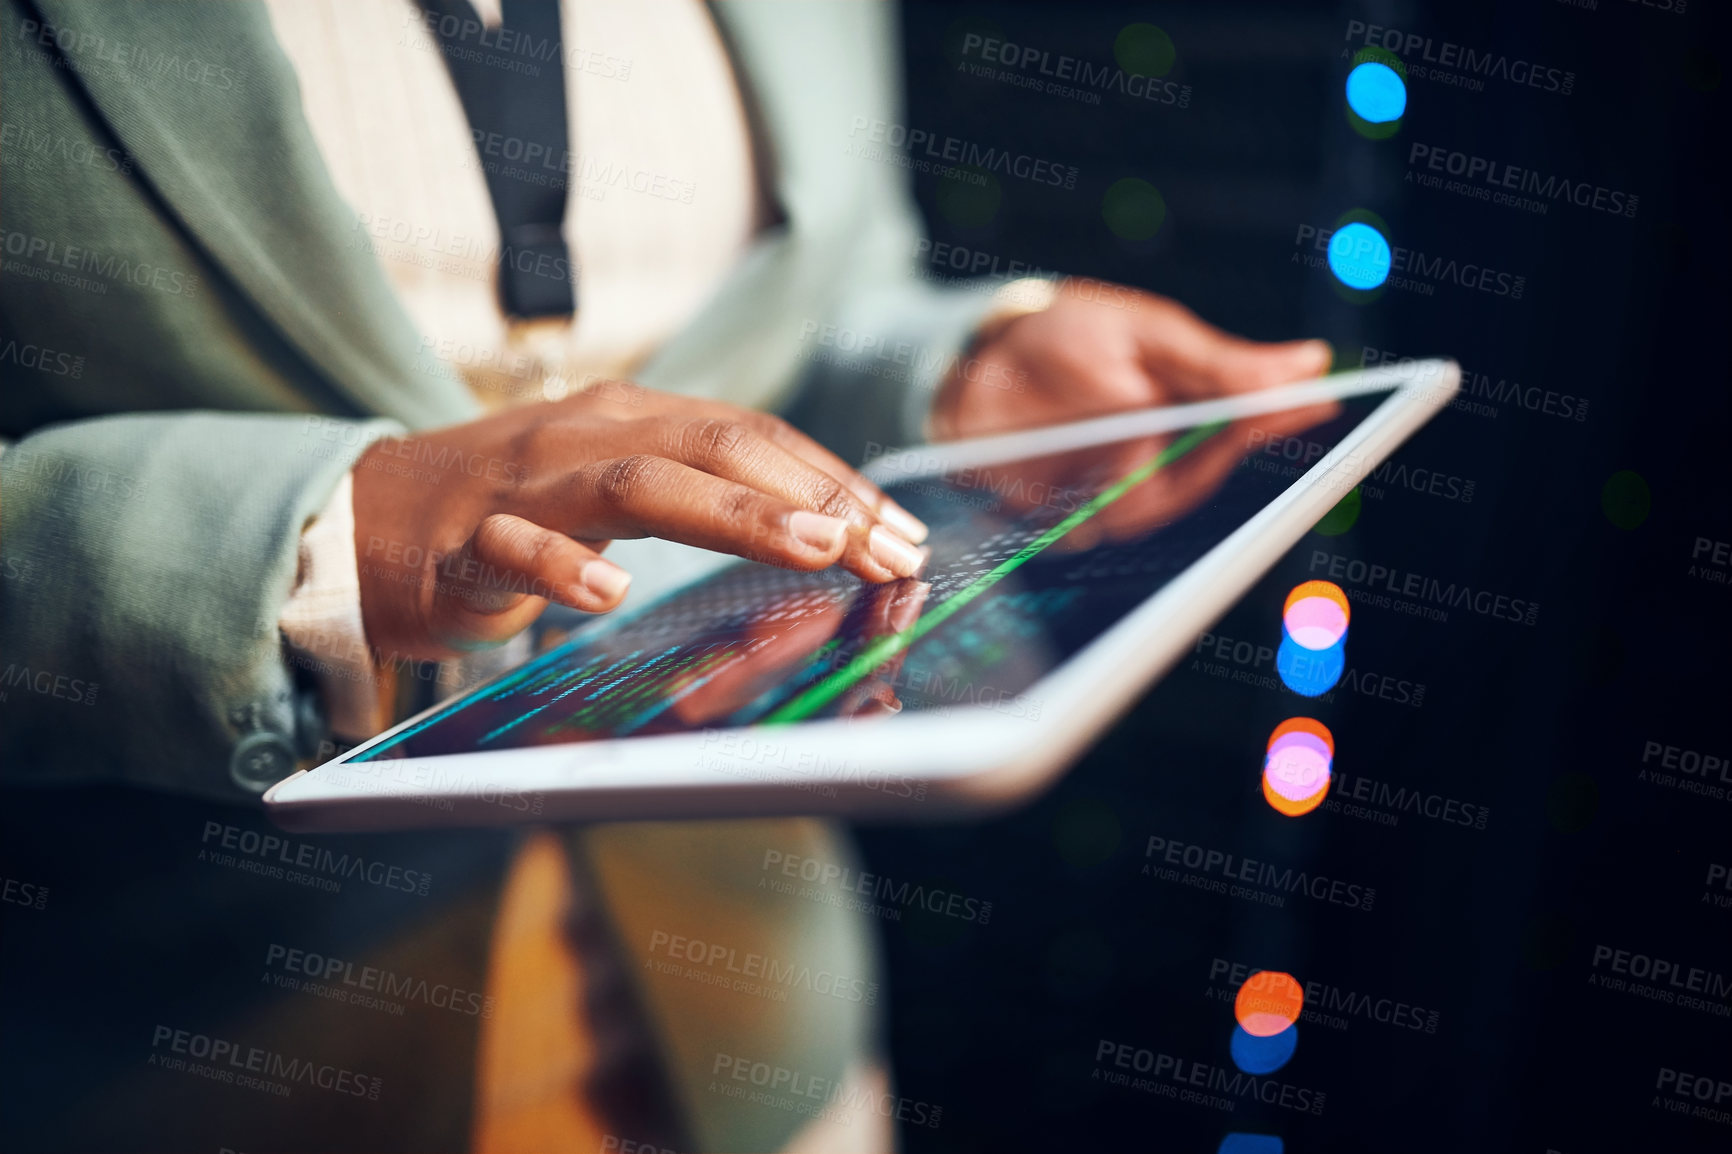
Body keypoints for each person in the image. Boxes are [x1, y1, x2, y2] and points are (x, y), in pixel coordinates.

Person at [0, 1, 1330, 1150]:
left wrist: (963, 370)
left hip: (758, 1014)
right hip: (181, 1054)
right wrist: (311, 535)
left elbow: (823, 305)